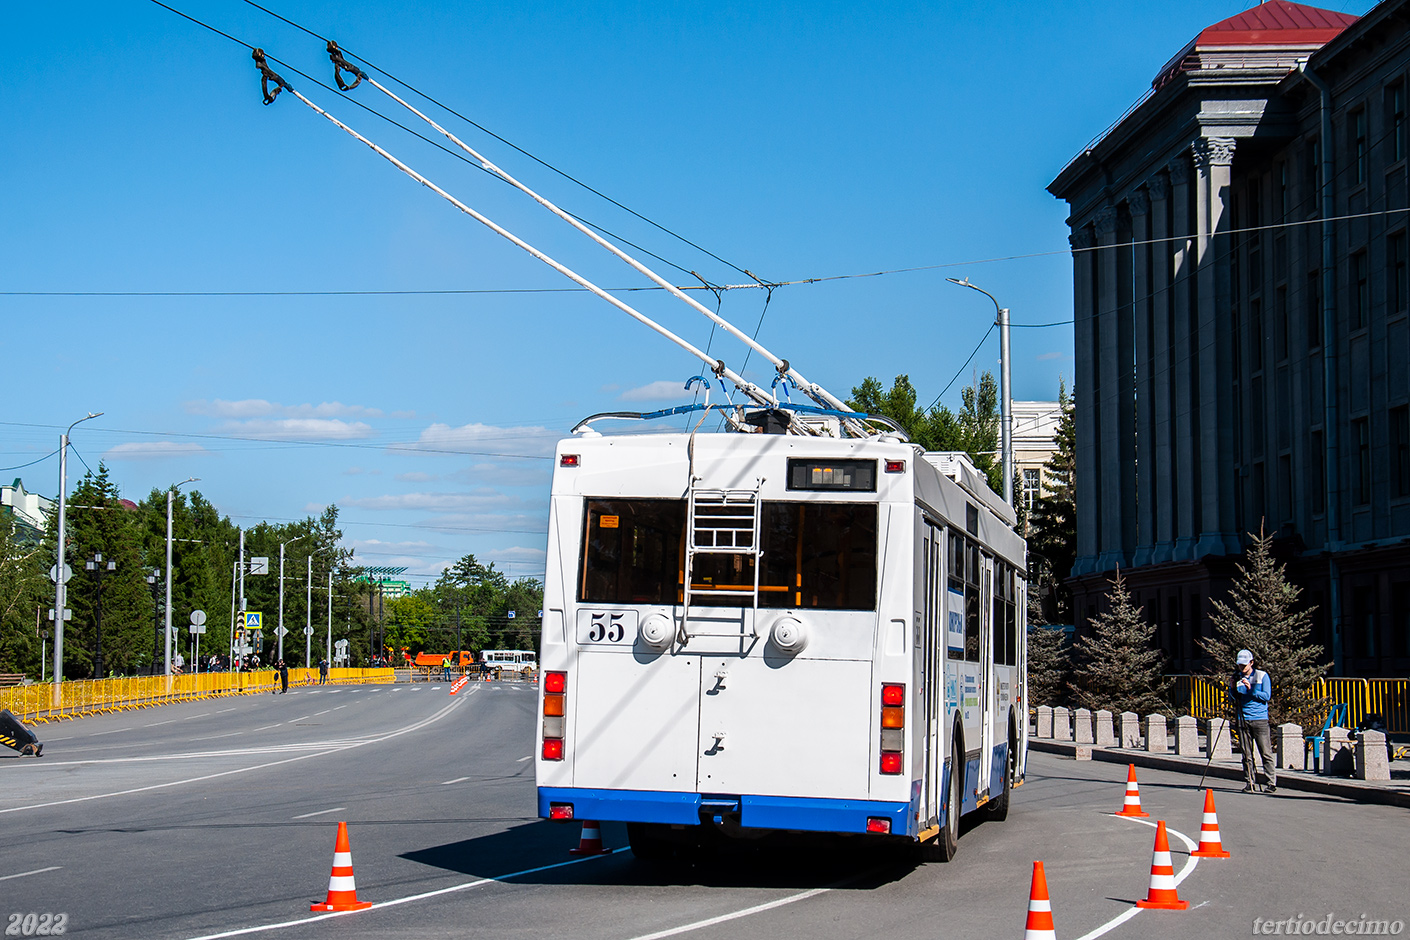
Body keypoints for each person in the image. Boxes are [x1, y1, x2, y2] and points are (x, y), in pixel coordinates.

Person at [1230, 649, 1276, 793]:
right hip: (1243, 718)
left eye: (1244, 665)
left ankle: (1271, 782)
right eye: (1240, 665)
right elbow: (1233, 698)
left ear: (1251, 663)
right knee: (1246, 754)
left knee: (1265, 752)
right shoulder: (1237, 676)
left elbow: (1266, 696)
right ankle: (1250, 782)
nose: (1242, 668)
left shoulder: (1262, 676)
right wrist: (1232, 688)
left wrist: (1251, 690)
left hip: (1259, 719)